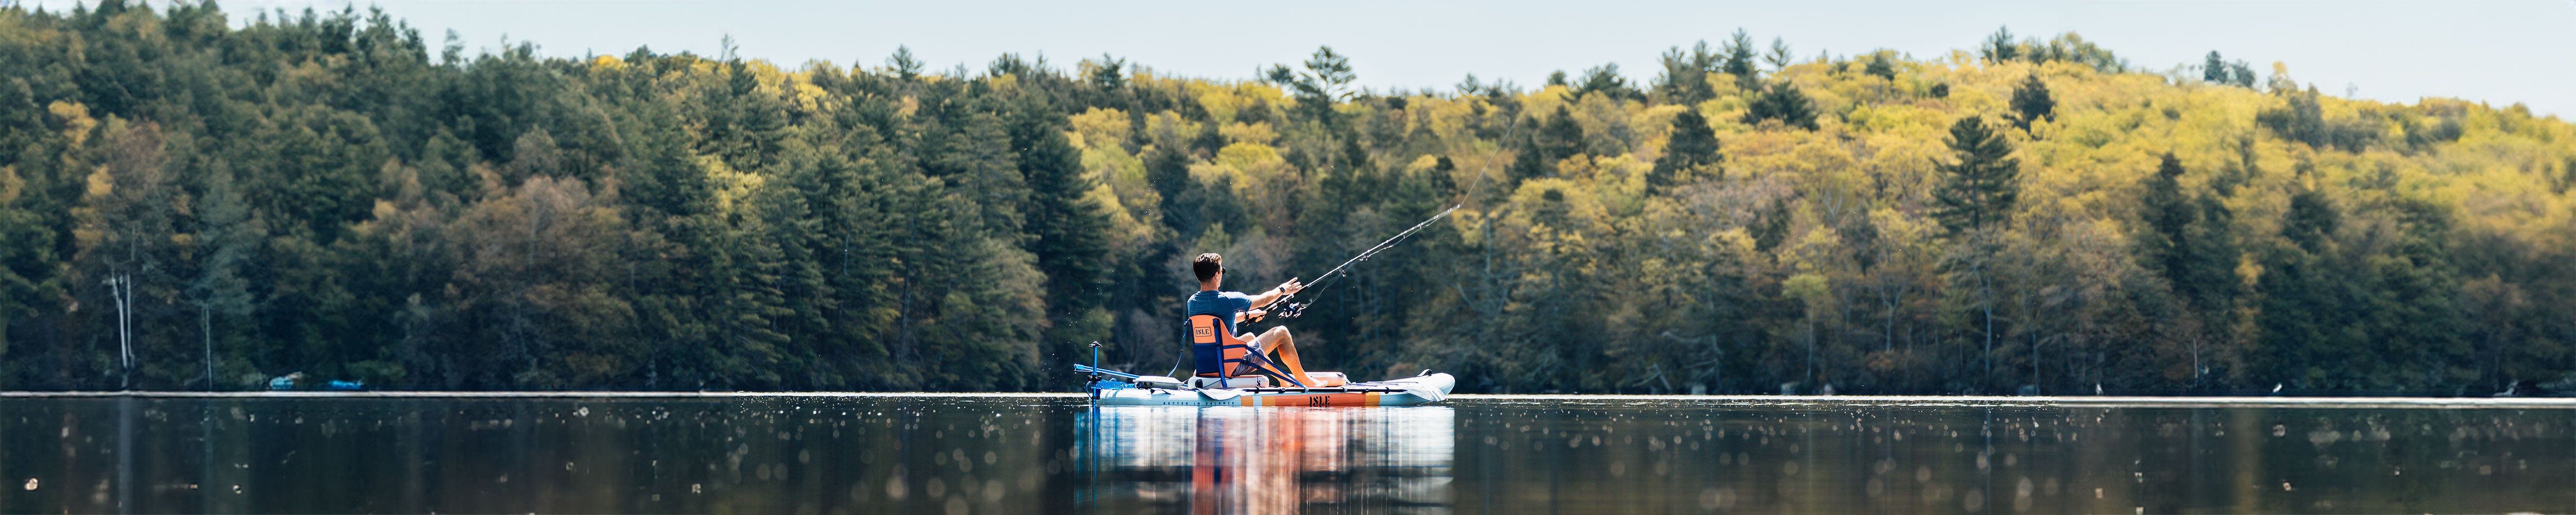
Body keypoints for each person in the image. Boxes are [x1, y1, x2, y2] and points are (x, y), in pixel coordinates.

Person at [1188, 253, 1313, 383]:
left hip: (1207, 366)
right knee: (1282, 332)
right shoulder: (1229, 300)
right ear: (1216, 275)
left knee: (1249, 337)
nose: (1222, 274)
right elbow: (1264, 300)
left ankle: (1283, 380)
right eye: (1222, 271)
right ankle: (1302, 379)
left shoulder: (1192, 303)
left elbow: (1216, 325)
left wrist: (1247, 315)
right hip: (1230, 366)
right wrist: (1282, 289)